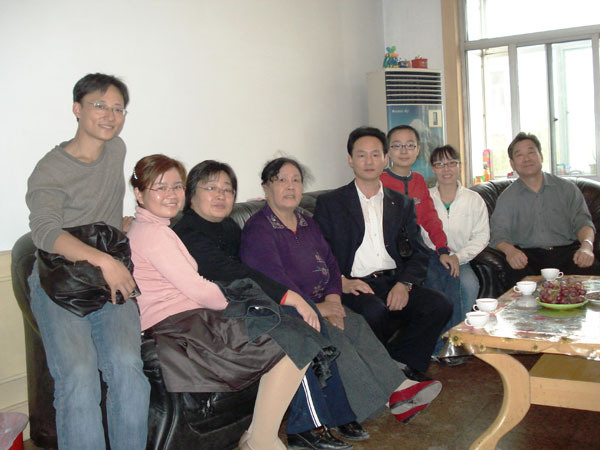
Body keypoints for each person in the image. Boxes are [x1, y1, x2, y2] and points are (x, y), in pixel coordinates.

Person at [127, 154, 314, 450]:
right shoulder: (154, 234)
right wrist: (237, 301)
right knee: (292, 339)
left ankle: (258, 438)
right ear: (139, 194)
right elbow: (200, 290)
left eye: (176, 186)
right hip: (180, 325)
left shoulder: (155, 228)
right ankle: (261, 439)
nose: (171, 194)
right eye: (160, 188)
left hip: (188, 316)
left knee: (292, 334)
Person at [239, 157, 443, 425]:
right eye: (282, 180)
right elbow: (273, 282)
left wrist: (334, 300)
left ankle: (401, 388)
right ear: (266, 188)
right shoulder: (259, 230)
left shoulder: (306, 222)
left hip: (321, 301)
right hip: (287, 310)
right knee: (337, 337)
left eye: (296, 180)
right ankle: (378, 404)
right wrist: (319, 309)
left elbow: (331, 263)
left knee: (355, 324)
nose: (290, 186)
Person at [172, 161, 360, 450]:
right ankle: (301, 428)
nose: (221, 195)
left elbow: (252, 270)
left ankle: (291, 427)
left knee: (308, 321)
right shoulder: (188, 233)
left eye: (227, 189)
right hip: (210, 315)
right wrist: (291, 297)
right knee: (295, 332)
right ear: (190, 194)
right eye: (211, 188)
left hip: (244, 301)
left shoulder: (228, 227)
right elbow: (232, 272)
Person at [25, 73, 150, 450]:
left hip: (106, 277)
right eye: (100, 105)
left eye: (118, 109)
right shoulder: (50, 169)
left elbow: (100, 208)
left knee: (128, 369)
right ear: (77, 109)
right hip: (59, 279)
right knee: (78, 377)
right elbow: (44, 232)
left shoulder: (117, 149)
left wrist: (122, 224)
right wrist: (105, 261)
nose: (110, 116)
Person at [313, 126, 453, 382]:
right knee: (374, 311)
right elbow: (318, 253)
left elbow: (418, 252)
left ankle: (402, 365)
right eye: (361, 155)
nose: (369, 161)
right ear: (350, 159)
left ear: (385, 159)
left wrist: (405, 283)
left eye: (375, 154)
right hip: (354, 285)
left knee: (439, 304)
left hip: (392, 281)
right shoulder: (331, 203)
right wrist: (341, 281)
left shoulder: (401, 203)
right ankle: (383, 373)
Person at [380, 125, 461, 360]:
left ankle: (453, 342)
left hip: (417, 251)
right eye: (397, 146)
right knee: (433, 280)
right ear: (388, 151)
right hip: (392, 256)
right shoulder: (380, 181)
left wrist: (443, 249)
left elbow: (430, 218)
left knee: (451, 274)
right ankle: (436, 348)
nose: (404, 151)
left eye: (410, 145)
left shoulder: (418, 181)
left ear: (417, 150)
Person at [490, 132, 599, 287]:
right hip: (527, 257)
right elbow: (498, 234)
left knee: (590, 274)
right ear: (512, 164)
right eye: (519, 155)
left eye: (531, 152)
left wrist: (587, 247)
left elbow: (584, 223)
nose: (526, 159)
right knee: (515, 280)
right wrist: (510, 251)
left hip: (568, 253)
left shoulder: (567, 189)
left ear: (541, 156)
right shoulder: (507, 197)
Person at [424, 145, 490, 353]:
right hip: (432, 259)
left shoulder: (473, 200)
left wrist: (458, 257)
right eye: (440, 164)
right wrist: (440, 254)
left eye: (452, 163)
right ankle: (438, 345)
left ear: (460, 166)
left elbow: (481, 236)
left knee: (469, 285)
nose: (446, 169)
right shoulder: (425, 199)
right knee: (437, 292)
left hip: (462, 259)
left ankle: (458, 341)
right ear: (432, 169)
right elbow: (420, 234)